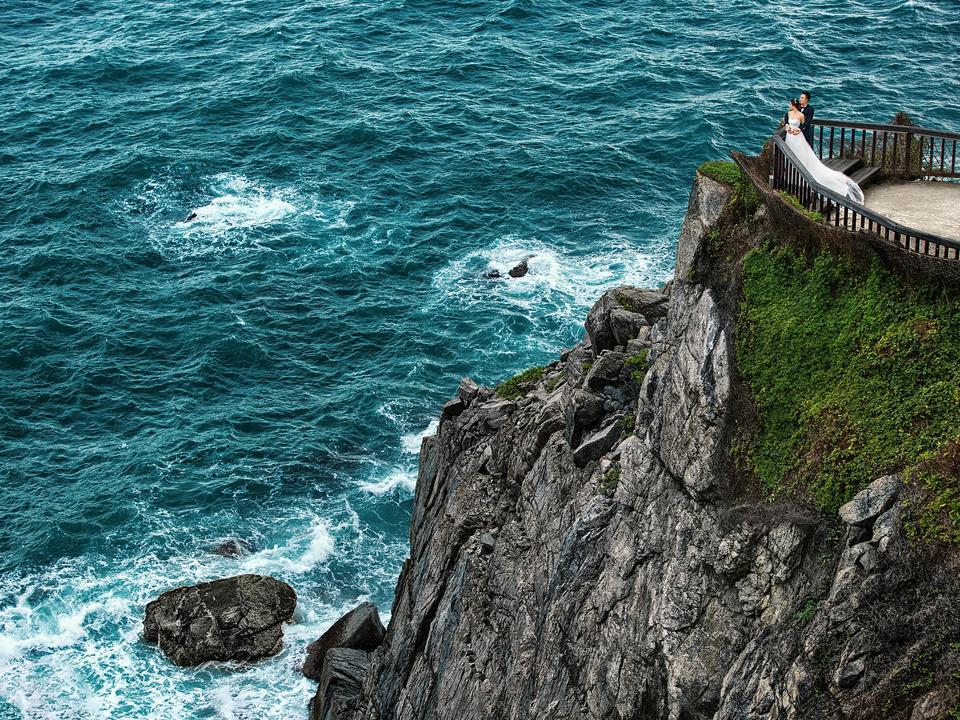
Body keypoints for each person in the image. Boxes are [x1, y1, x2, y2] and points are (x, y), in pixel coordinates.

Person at [784, 98, 864, 204]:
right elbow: (786, 125)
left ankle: (803, 175)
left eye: (790, 103)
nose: (789, 105)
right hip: (789, 137)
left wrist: (798, 130)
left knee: (801, 156)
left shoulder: (801, 115)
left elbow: (803, 127)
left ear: (793, 104)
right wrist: (788, 128)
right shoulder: (788, 114)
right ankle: (791, 174)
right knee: (790, 155)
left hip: (798, 137)